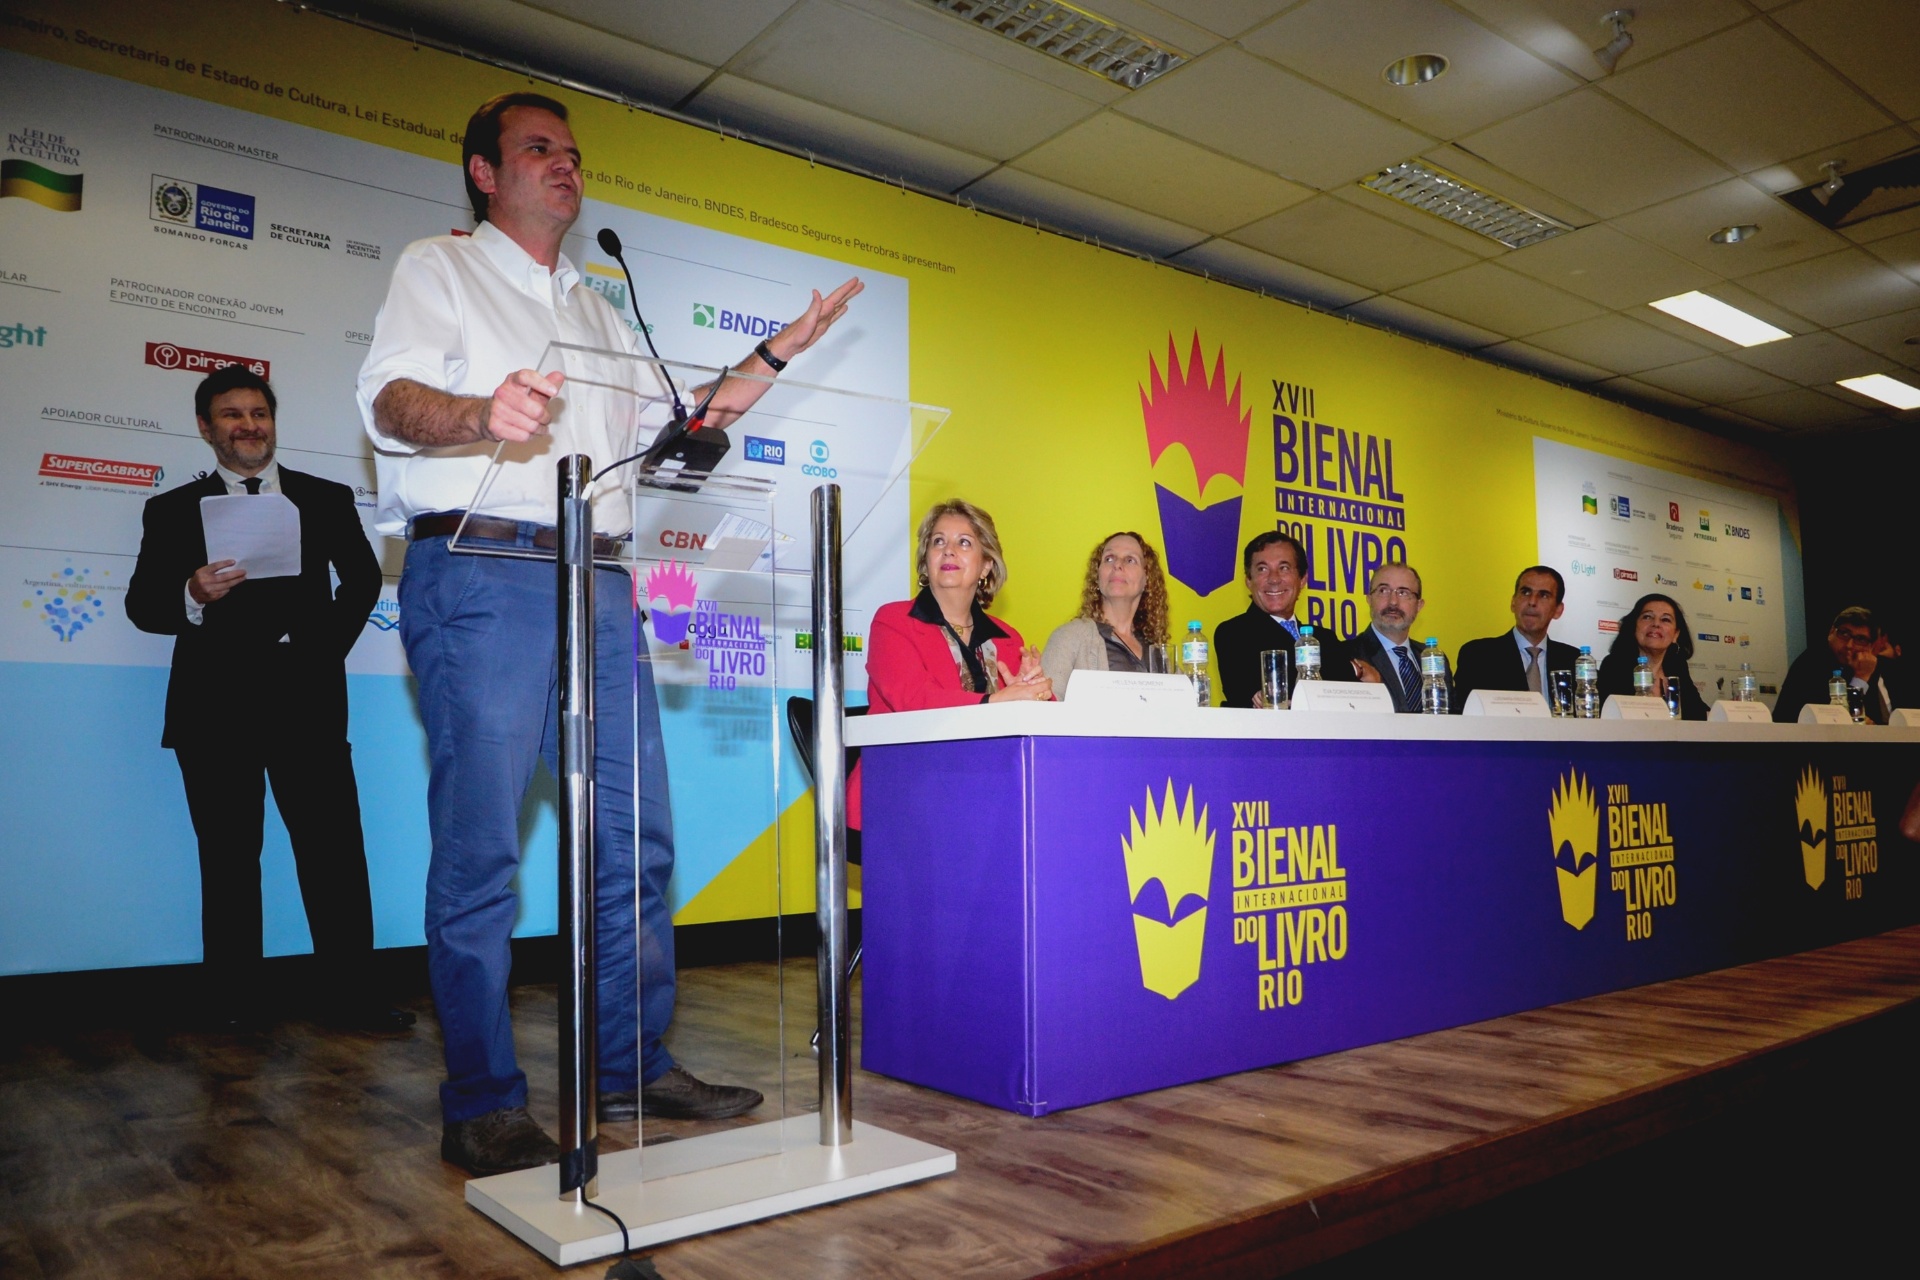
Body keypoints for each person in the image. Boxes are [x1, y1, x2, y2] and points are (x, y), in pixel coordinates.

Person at [357, 91, 861, 1175]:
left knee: (637, 839)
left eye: (574, 152)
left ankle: (631, 1059)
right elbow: (390, 402)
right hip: (484, 569)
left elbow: (678, 427)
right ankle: (482, 1100)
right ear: (484, 172)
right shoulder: (438, 268)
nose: (565, 164)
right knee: (483, 850)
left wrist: (775, 353)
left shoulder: (597, 308)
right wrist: (477, 412)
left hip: (600, 582)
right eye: (538, 148)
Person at [125, 366, 407, 1033]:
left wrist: (320, 650)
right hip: (211, 710)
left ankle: (353, 998)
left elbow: (363, 581)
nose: (249, 426)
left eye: (259, 413)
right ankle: (234, 1005)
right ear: (206, 428)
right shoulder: (171, 510)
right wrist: (191, 594)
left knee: (334, 854)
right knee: (228, 859)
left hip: (306, 700)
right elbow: (142, 606)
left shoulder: (324, 497)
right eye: (232, 415)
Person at [853, 500, 1051, 826]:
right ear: (926, 561)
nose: (948, 551)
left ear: (986, 566)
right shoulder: (893, 621)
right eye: (938, 541)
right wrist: (995, 701)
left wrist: (1035, 693)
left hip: (987, 793)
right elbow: (914, 701)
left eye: (964, 543)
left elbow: (1042, 723)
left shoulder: (1007, 638)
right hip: (902, 794)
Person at [1212, 531, 1350, 708]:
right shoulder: (1233, 633)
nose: (1274, 579)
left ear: (1302, 579)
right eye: (1262, 569)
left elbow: (1348, 698)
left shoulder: (1325, 639)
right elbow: (1247, 693)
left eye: (1284, 568)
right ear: (1248, 581)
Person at [1040, 531, 1170, 698]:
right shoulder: (1070, 637)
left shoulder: (1158, 652)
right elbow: (1044, 706)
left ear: (1147, 579)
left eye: (1130, 560)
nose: (1117, 565)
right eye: (1109, 559)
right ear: (1097, 577)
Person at [1451, 566, 1582, 711]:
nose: (1532, 601)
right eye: (1526, 592)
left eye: (1543, 595)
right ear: (1513, 602)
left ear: (1558, 610)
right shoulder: (1478, 656)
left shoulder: (1575, 661)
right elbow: (1468, 714)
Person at [1343, 563, 1445, 713]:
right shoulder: (1347, 655)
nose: (1393, 602)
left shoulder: (1434, 659)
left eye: (1403, 593)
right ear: (1369, 599)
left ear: (1419, 605)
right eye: (1383, 591)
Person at [1775, 607, 1903, 724]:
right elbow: (1832, 717)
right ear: (1831, 632)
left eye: (1860, 639)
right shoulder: (1811, 662)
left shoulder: (1880, 667)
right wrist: (1860, 678)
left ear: (1871, 646)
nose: (1849, 645)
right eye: (1844, 634)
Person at [1597, 593, 1708, 720]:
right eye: (1647, 617)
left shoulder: (1677, 667)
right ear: (1634, 627)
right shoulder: (1614, 665)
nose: (1656, 624)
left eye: (1665, 619)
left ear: (1676, 635)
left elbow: (1699, 713)